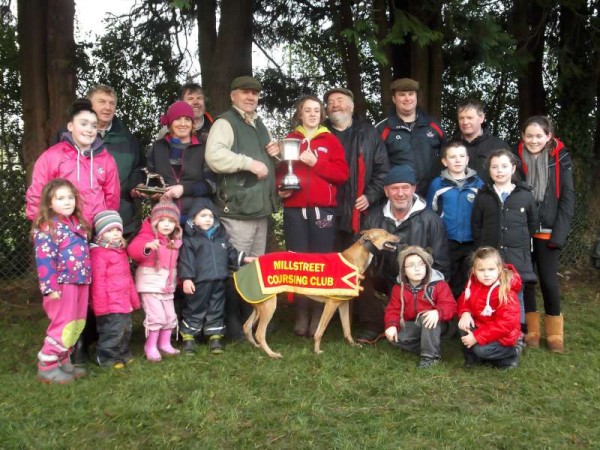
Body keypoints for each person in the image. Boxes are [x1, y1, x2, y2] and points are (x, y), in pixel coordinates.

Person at [204, 75, 281, 339]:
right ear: (233, 95)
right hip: (237, 209)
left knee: (253, 268)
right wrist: (248, 163)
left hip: (259, 208)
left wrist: (274, 152)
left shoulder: (258, 123)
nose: (251, 98)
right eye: (245, 93)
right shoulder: (226, 122)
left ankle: (252, 320)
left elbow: (270, 161)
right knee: (234, 267)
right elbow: (214, 156)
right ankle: (231, 324)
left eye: (255, 94)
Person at [277, 95, 349, 337]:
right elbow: (280, 173)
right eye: (307, 110)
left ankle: (318, 312)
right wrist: (281, 187)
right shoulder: (290, 140)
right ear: (300, 113)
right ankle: (301, 312)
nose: (312, 114)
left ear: (322, 114)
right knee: (298, 261)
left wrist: (316, 163)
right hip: (295, 209)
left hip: (322, 209)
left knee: (320, 262)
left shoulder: (330, 140)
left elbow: (342, 174)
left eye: (316, 110)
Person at [358, 165, 451, 343]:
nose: (400, 193)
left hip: (417, 283)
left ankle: (414, 324)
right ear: (386, 191)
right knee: (360, 277)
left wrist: (430, 288)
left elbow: (441, 263)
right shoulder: (373, 218)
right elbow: (361, 253)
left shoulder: (431, 220)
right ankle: (373, 324)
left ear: (413, 189)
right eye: (394, 188)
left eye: (405, 187)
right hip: (384, 280)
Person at [515, 116, 575, 352]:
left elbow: (567, 198)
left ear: (549, 136)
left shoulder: (561, 158)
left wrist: (559, 235)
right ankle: (531, 330)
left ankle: (554, 333)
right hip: (523, 229)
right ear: (522, 136)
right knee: (526, 282)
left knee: (549, 282)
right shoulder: (516, 159)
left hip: (549, 231)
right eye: (529, 135)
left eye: (539, 136)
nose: (533, 140)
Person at [32, 179, 91, 384]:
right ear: (49, 203)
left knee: (76, 323)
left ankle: (63, 360)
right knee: (63, 324)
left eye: (70, 197)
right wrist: (50, 288)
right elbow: (44, 260)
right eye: (60, 198)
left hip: (80, 281)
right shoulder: (48, 228)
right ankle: (47, 365)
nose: (67, 202)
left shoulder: (77, 224)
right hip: (62, 285)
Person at [471, 148, 539, 328]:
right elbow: (476, 225)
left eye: (504, 166)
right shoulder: (483, 196)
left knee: (516, 294)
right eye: (495, 167)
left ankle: (519, 330)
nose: (499, 170)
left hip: (517, 256)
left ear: (513, 168)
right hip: (491, 256)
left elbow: (532, 224)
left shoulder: (525, 195)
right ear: (489, 170)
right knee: (490, 292)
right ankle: (492, 328)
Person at [26, 98, 120, 225]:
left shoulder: (106, 159)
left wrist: (106, 226)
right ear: (70, 126)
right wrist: (43, 226)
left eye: (94, 125)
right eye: (83, 124)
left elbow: (112, 197)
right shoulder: (52, 156)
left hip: (96, 231)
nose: (89, 129)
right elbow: (37, 193)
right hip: (62, 231)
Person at [178, 198, 252, 354]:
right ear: (193, 219)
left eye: (211, 216)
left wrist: (244, 258)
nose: (208, 219)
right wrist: (187, 279)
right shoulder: (190, 241)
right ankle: (189, 338)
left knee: (216, 309)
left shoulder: (221, 239)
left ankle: (215, 337)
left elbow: (231, 254)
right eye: (203, 216)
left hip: (219, 281)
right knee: (195, 309)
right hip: (198, 283)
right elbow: (186, 262)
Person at [323, 87, 389, 250]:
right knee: (327, 260)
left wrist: (370, 196)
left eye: (339, 101)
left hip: (359, 211)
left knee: (356, 263)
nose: (335, 105)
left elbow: (382, 169)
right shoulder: (320, 133)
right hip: (326, 210)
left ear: (351, 107)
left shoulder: (368, 133)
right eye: (330, 103)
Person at [426, 142, 484, 298]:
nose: (457, 160)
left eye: (461, 156)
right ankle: (447, 315)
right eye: (452, 157)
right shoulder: (437, 184)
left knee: (470, 280)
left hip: (471, 241)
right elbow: (431, 213)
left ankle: (468, 315)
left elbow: (483, 213)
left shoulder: (478, 184)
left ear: (467, 159)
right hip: (447, 240)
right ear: (445, 161)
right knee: (447, 280)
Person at [127, 200, 183, 362]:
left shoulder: (173, 240)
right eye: (162, 221)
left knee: (170, 316)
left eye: (171, 221)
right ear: (154, 221)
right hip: (150, 284)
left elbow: (174, 264)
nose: (166, 225)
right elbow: (133, 250)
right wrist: (147, 246)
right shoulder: (147, 236)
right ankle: (150, 345)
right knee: (156, 316)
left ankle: (164, 343)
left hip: (166, 286)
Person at [384, 246, 456, 368]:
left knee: (426, 316)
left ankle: (430, 357)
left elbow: (450, 305)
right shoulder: (399, 288)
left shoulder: (439, 284)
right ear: (403, 270)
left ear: (427, 266)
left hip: (437, 324)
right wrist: (391, 326)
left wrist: (437, 313)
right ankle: (430, 347)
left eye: (421, 264)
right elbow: (393, 310)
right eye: (411, 265)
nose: (417, 269)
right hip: (415, 325)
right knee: (394, 337)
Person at [146, 100, 216, 224]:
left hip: (196, 218)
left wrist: (184, 189)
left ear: (192, 124)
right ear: (170, 122)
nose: (183, 124)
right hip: (165, 219)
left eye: (187, 119)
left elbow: (211, 186)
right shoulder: (158, 147)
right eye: (178, 119)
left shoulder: (202, 149)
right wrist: (156, 194)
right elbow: (149, 181)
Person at [376, 78, 445, 196]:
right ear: (394, 99)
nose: (407, 98)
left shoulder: (433, 126)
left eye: (411, 94)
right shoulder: (382, 129)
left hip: (431, 194)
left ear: (416, 97)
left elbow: (446, 156)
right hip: (398, 196)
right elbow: (376, 166)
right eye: (402, 95)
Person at [458, 247, 524, 369]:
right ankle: (472, 358)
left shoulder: (506, 291)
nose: (486, 274)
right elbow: (464, 299)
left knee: (482, 351)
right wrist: (465, 312)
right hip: (483, 326)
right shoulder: (473, 282)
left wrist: (476, 336)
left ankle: (513, 352)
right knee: (464, 324)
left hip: (504, 336)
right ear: (474, 271)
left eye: (491, 269)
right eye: (481, 270)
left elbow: (505, 324)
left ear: (499, 269)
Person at [90, 210, 140, 369]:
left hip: (123, 301)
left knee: (126, 330)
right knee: (112, 332)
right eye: (109, 231)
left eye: (117, 229)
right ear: (100, 233)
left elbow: (128, 278)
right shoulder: (98, 253)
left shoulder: (120, 251)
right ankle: (106, 357)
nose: (115, 234)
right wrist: (101, 307)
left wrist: (133, 299)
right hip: (110, 304)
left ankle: (123, 353)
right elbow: (98, 283)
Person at [455, 99, 509, 183]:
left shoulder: (498, 146)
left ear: (481, 118)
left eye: (469, 118)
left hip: (490, 195)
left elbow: (510, 179)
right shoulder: (450, 147)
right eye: (461, 118)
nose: (465, 122)